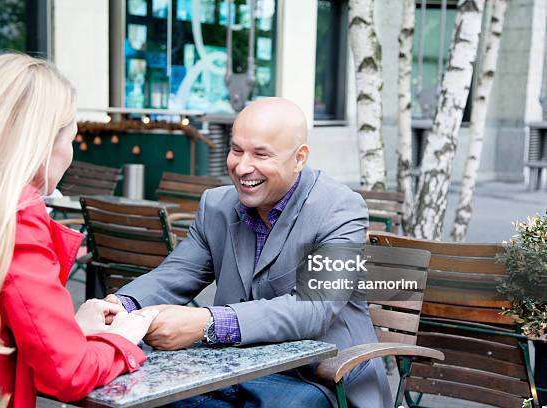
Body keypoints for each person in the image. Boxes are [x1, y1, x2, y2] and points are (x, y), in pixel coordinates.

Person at [107, 97, 393, 407]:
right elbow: (177, 273)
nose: (242, 167)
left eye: (260, 154)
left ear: (299, 158)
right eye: (236, 150)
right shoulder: (216, 206)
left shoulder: (339, 208)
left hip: (320, 377)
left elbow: (314, 308)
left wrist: (207, 323)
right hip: (233, 369)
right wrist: (121, 305)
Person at [0, 54, 158, 406]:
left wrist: (71, 329)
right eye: (71, 138)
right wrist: (121, 340)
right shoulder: (11, 211)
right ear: (42, 142)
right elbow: (67, 373)